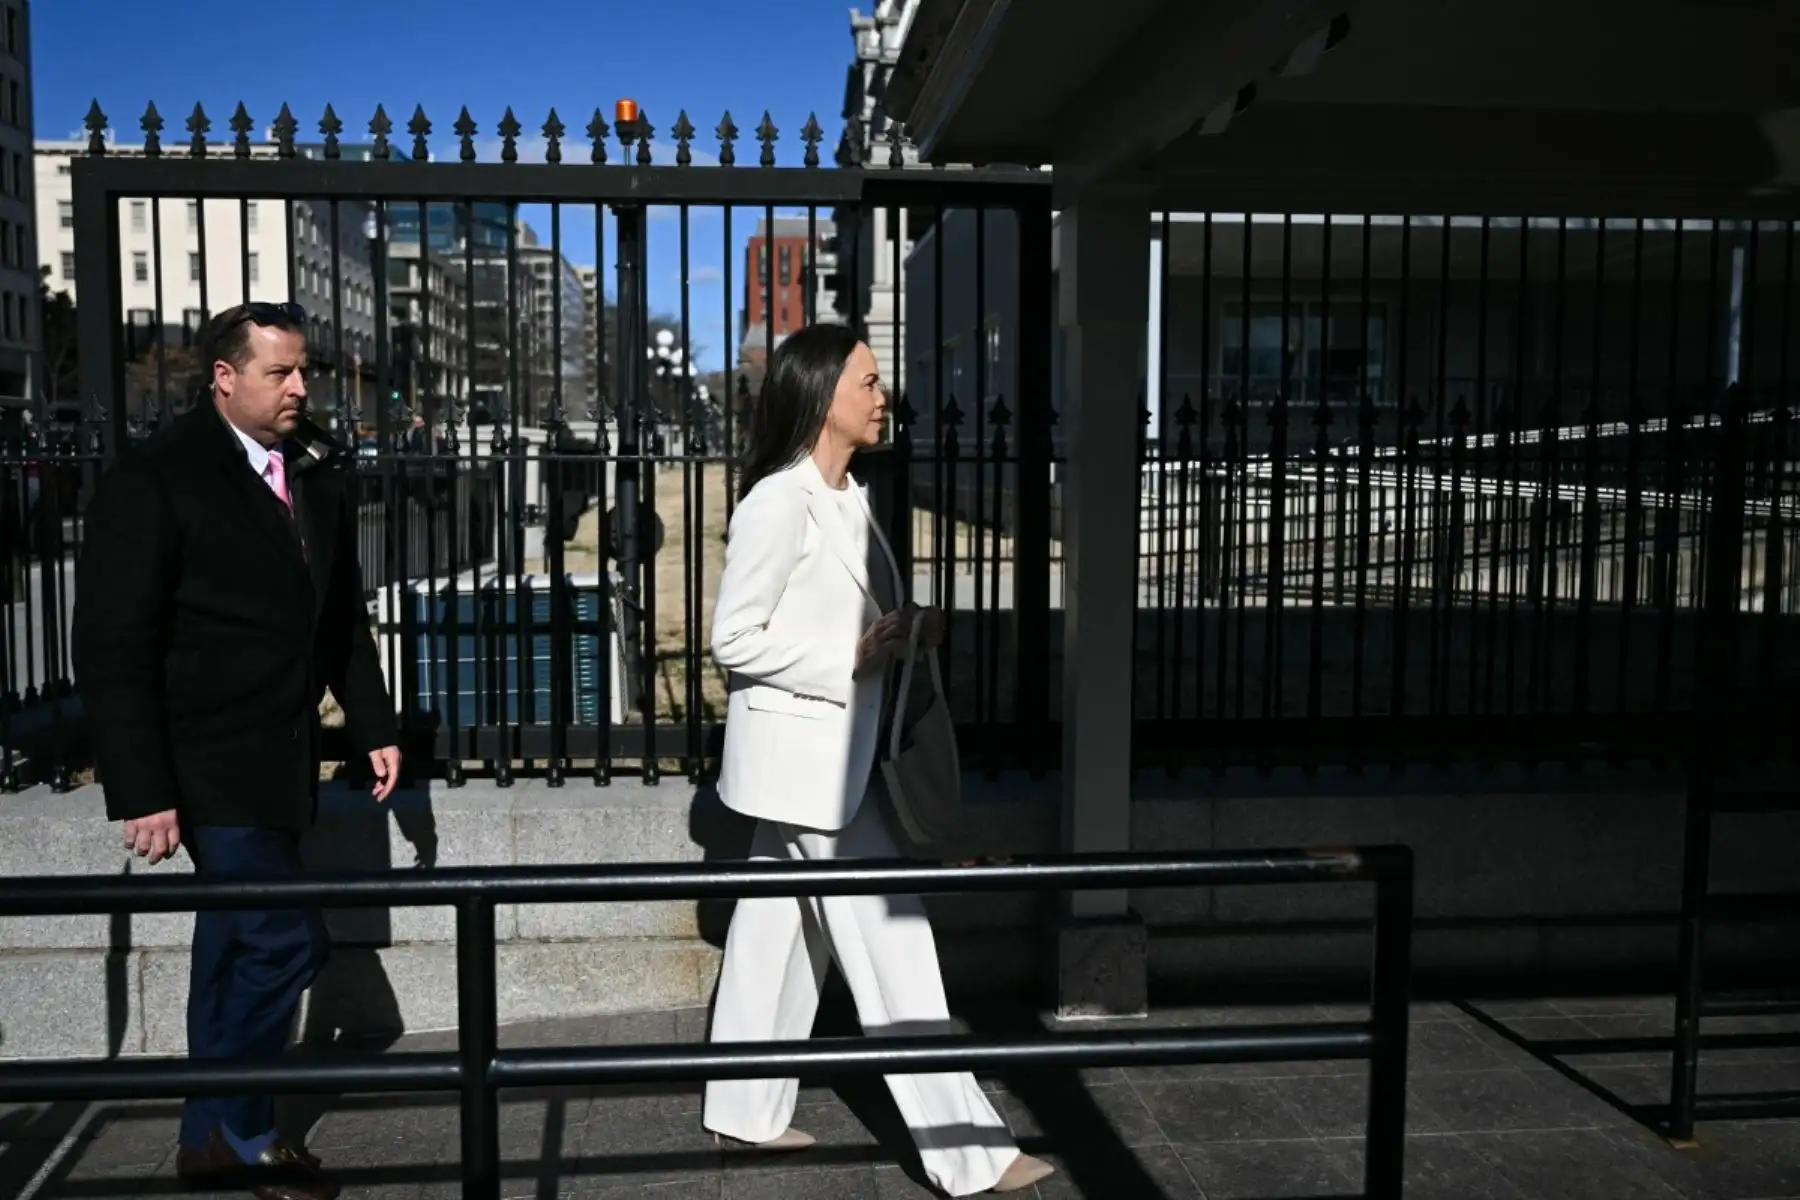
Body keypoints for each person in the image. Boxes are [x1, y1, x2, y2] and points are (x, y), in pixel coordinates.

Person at [700, 323, 1054, 1196]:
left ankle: (743, 1111)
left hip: (829, 762)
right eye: (866, 380)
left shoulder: (849, 497)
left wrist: (908, 632)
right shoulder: (776, 503)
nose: (881, 393)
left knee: (775, 936)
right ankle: (969, 1153)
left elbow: (843, 616)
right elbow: (731, 638)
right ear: (822, 395)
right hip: (809, 768)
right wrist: (847, 659)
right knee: (895, 949)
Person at [73, 301, 401, 1200]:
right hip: (203, 765)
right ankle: (246, 1132)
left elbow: (339, 616)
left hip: (283, 762)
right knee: (282, 942)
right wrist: (141, 787)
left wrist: (373, 726)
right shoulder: (157, 479)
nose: (300, 388)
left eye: (304, 371)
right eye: (278, 373)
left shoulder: (314, 469)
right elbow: (112, 647)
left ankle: (202, 1140)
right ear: (224, 377)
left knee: (230, 950)